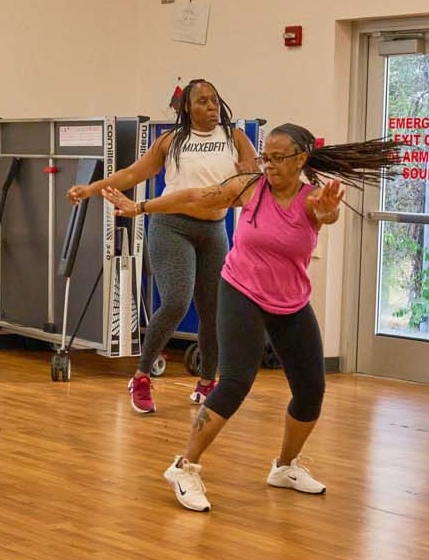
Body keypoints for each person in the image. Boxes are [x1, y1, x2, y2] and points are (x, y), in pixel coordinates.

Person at [102, 124, 400, 512]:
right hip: (240, 291)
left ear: (301, 159)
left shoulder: (311, 200)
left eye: (278, 158)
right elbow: (195, 196)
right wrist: (139, 207)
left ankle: (285, 466)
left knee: (311, 391)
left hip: (290, 301)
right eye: (265, 157)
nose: (269, 165)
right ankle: (184, 466)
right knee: (235, 382)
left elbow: (327, 215)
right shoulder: (249, 187)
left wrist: (329, 213)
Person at [68, 79, 257, 415]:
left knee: (213, 311)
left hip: (214, 230)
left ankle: (207, 382)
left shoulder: (235, 138)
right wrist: (90, 188)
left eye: (215, 100)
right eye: (203, 101)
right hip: (172, 228)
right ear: (187, 108)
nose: (212, 106)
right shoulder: (171, 141)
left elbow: (255, 178)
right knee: (175, 302)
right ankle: (141, 377)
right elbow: (130, 175)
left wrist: (251, 173)